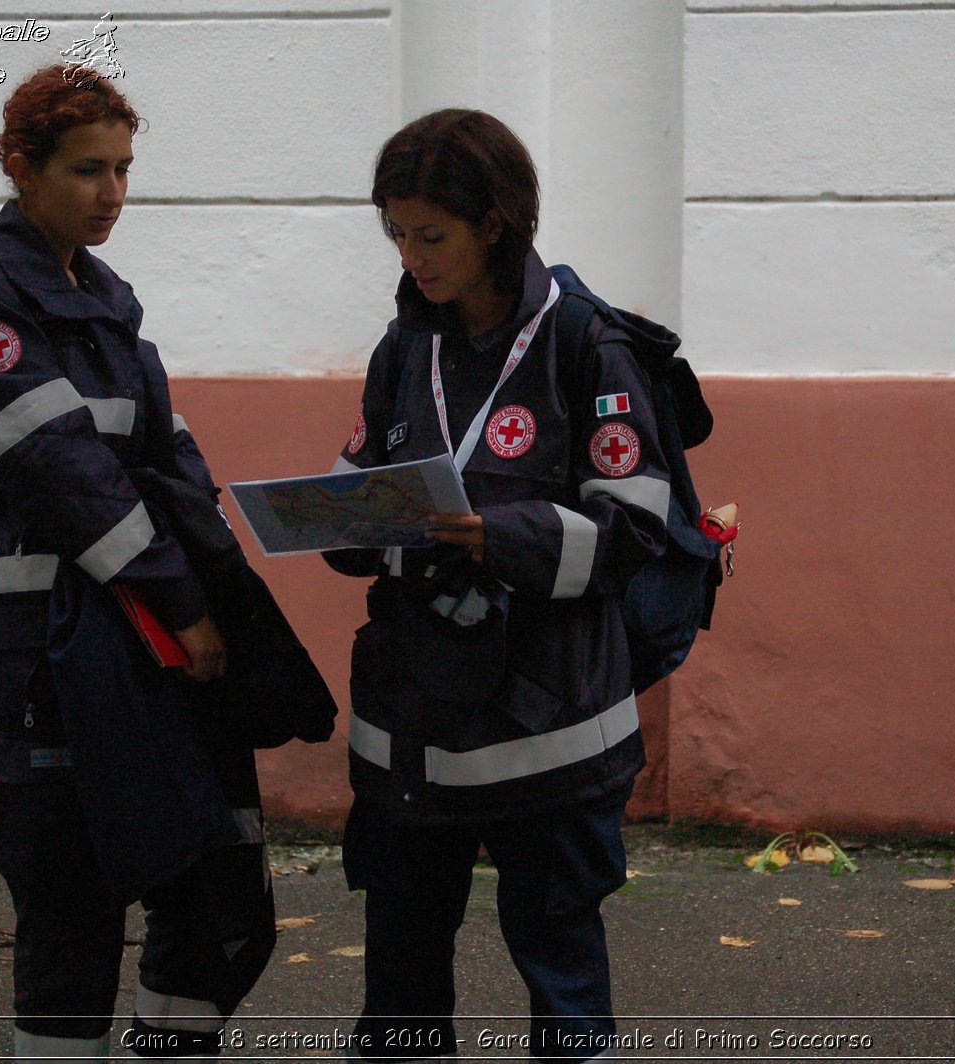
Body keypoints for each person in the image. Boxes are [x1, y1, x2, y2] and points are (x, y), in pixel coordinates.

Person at [0, 65, 273, 1060]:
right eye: (87, 169)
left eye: (123, 168)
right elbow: (69, 476)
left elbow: (165, 457)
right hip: (39, 648)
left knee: (216, 893)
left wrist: (227, 583)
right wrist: (184, 604)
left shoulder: (103, 298)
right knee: (70, 912)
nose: (112, 191)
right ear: (19, 168)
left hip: (137, 639)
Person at [326, 109, 672, 1063]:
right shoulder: (405, 349)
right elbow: (366, 473)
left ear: (496, 223)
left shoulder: (587, 348)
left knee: (562, 977)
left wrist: (497, 535)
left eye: (430, 234)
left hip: (549, 732)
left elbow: (633, 526)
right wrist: (338, 523)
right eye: (396, 233)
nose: (411, 256)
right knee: (398, 983)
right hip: (414, 735)